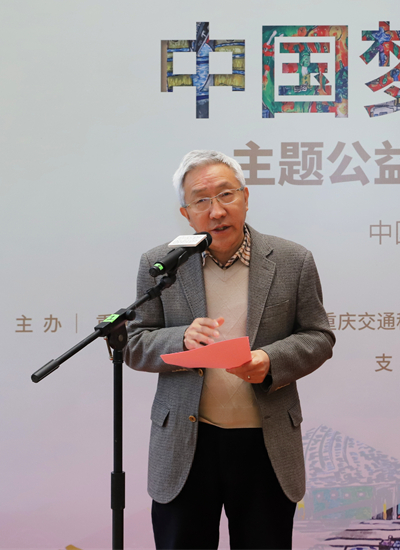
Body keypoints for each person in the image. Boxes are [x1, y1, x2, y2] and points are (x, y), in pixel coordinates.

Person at [125, 150, 336, 550]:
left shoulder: (292, 260)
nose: (217, 211)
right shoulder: (160, 265)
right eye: (201, 200)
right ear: (186, 214)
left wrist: (270, 360)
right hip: (187, 442)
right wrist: (180, 338)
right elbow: (134, 344)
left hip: (265, 443)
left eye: (226, 194)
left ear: (246, 196)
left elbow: (318, 336)